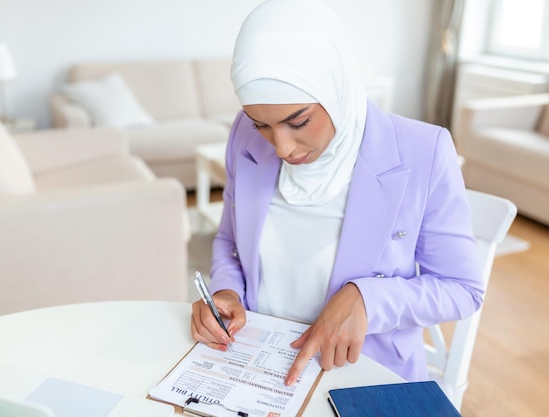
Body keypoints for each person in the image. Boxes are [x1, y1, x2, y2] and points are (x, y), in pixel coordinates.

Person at [190, 0, 482, 386]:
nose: (280, 147)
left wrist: (368, 299)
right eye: (262, 124)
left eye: (299, 121)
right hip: (260, 365)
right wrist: (227, 291)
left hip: (363, 374)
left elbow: (462, 289)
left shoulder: (423, 151)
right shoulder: (243, 136)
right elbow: (229, 240)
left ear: (334, 85)